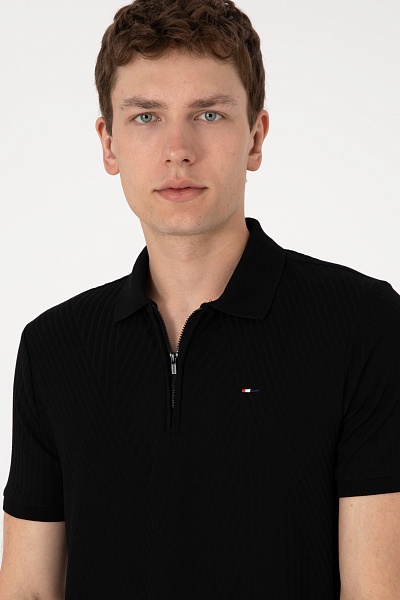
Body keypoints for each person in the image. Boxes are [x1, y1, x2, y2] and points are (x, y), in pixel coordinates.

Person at [1, 0, 400, 597]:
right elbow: (29, 589)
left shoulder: (363, 324)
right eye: (146, 116)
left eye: (209, 114)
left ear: (256, 138)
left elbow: (377, 591)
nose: (178, 148)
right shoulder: (54, 347)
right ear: (108, 145)